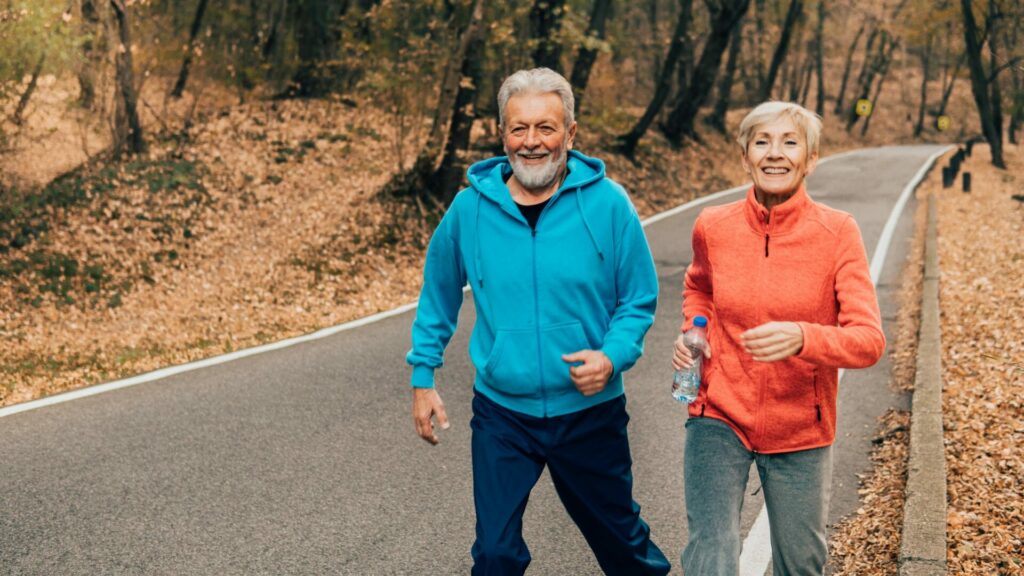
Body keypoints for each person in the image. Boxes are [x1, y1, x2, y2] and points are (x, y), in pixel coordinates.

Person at [406, 68, 670, 575]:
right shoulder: (469, 209)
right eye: (519, 128)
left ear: (570, 133)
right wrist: (423, 375)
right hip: (504, 414)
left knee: (624, 548)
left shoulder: (609, 205)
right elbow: (438, 292)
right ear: (502, 133)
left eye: (545, 128)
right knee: (496, 555)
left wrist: (612, 357)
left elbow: (638, 299)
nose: (532, 143)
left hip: (589, 411)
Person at [672, 101, 886, 575]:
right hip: (718, 411)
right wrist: (694, 330)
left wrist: (802, 337)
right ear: (745, 156)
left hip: (800, 426)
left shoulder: (837, 233)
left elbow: (868, 340)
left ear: (810, 159)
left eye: (790, 143)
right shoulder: (713, 225)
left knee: (801, 563)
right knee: (711, 555)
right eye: (762, 142)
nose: (775, 154)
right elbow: (699, 287)